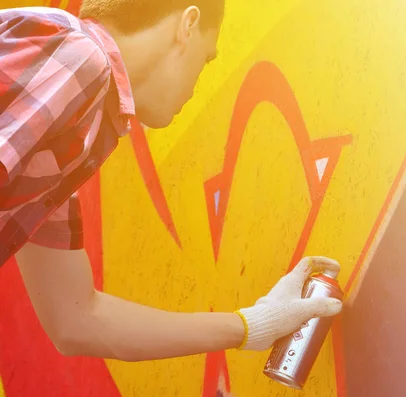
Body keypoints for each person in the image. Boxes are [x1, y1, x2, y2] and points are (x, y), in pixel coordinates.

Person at [0, 1, 342, 362]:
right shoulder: (82, 57)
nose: (196, 86)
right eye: (206, 59)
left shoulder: (73, 130)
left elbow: (77, 320)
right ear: (187, 25)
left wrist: (255, 323)